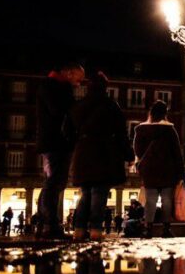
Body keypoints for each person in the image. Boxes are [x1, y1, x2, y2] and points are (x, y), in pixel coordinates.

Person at [63, 72, 133, 241]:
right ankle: (95, 229)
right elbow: (121, 134)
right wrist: (129, 155)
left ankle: (79, 229)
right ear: (104, 87)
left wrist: (78, 144)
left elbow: (66, 131)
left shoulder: (77, 106)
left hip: (83, 152)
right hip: (104, 152)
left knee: (85, 193)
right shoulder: (111, 106)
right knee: (99, 193)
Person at [36, 61, 85, 238]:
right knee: (54, 182)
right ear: (69, 72)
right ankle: (50, 224)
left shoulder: (55, 86)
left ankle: (44, 221)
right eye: (78, 79)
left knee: (54, 182)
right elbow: (59, 111)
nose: (78, 84)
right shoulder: (52, 86)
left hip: (56, 141)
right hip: (55, 141)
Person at [133, 101, 185, 238]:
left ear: (151, 113)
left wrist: (145, 163)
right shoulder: (169, 129)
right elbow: (177, 153)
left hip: (149, 170)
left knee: (151, 200)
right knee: (167, 200)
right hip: (167, 169)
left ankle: (147, 228)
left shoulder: (141, 129)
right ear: (165, 114)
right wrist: (181, 174)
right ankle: (166, 229)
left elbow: (137, 150)